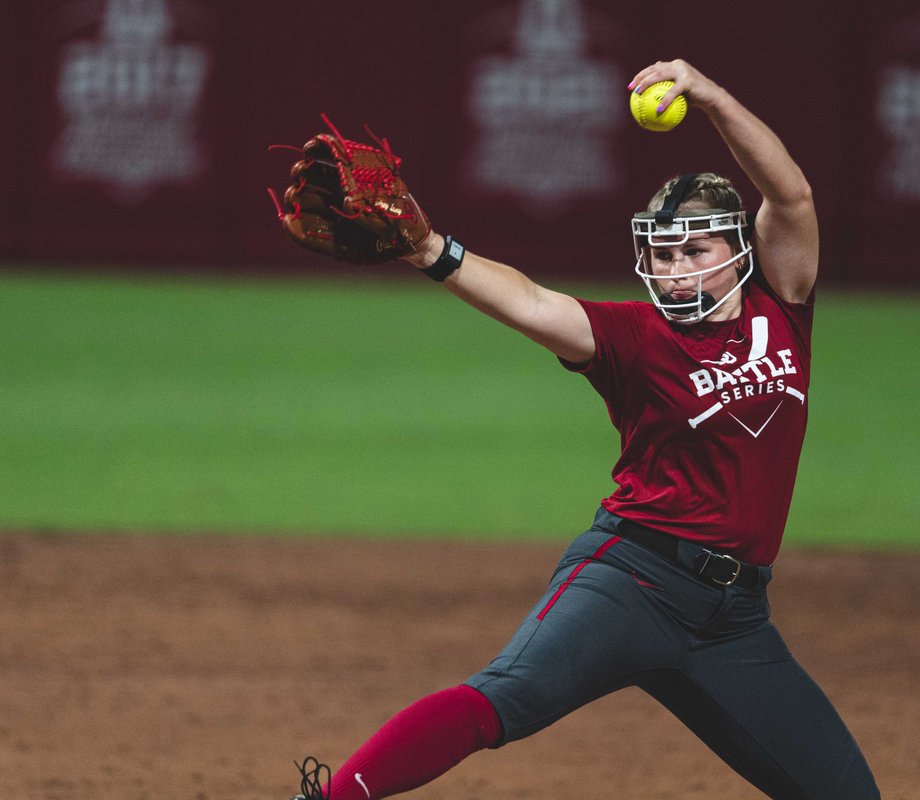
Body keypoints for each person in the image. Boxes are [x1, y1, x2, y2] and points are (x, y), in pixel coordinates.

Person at [285, 59, 879, 800]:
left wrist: (710, 95)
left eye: (695, 250)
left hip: (735, 621)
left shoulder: (782, 306)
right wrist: (433, 251)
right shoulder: (633, 338)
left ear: (740, 249)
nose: (676, 269)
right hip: (632, 581)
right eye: (663, 254)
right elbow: (532, 303)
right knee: (503, 699)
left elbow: (790, 192)